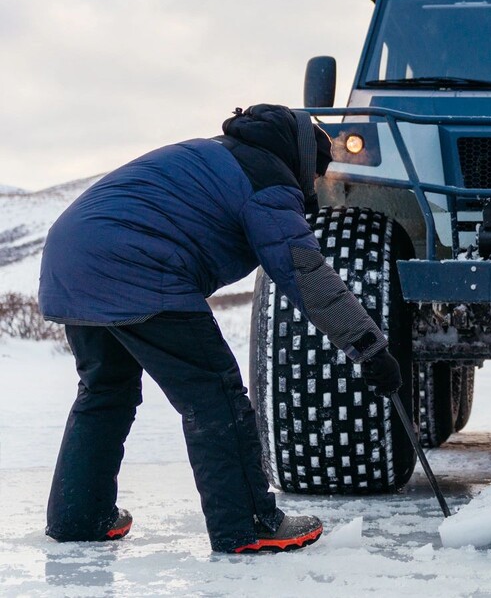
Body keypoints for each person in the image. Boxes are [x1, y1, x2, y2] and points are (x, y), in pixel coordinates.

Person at [39, 104, 403, 553]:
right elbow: (305, 274)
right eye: (317, 173)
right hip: (136, 266)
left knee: (105, 391)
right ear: (302, 156)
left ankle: (79, 515)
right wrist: (368, 346)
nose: (313, 185)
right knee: (216, 397)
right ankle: (249, 524)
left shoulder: (218, 156)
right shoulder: (266, 179)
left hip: (69, 257)